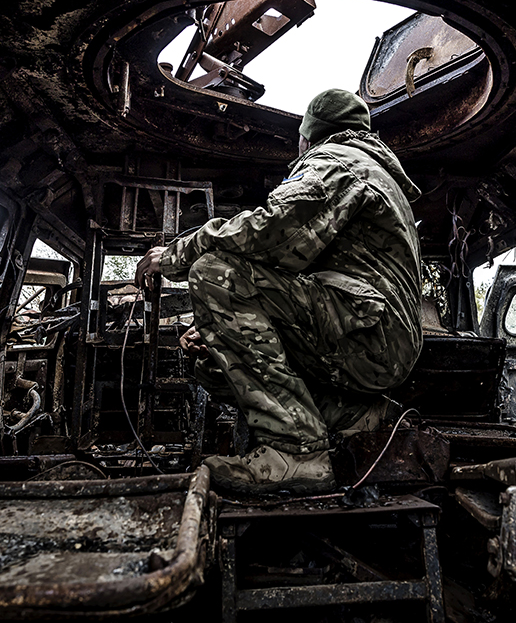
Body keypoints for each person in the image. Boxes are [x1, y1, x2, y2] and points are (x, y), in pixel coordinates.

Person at [135, 88, 422, 495]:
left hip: (366, 331)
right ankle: (354, 416)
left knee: (214, 273)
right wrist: (228, 326)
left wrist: (174, 254)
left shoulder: (338, 162)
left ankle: (299, 452)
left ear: (309, 135)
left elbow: (271, 233)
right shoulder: (373, 172)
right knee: (214, 365)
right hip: (367, 333)